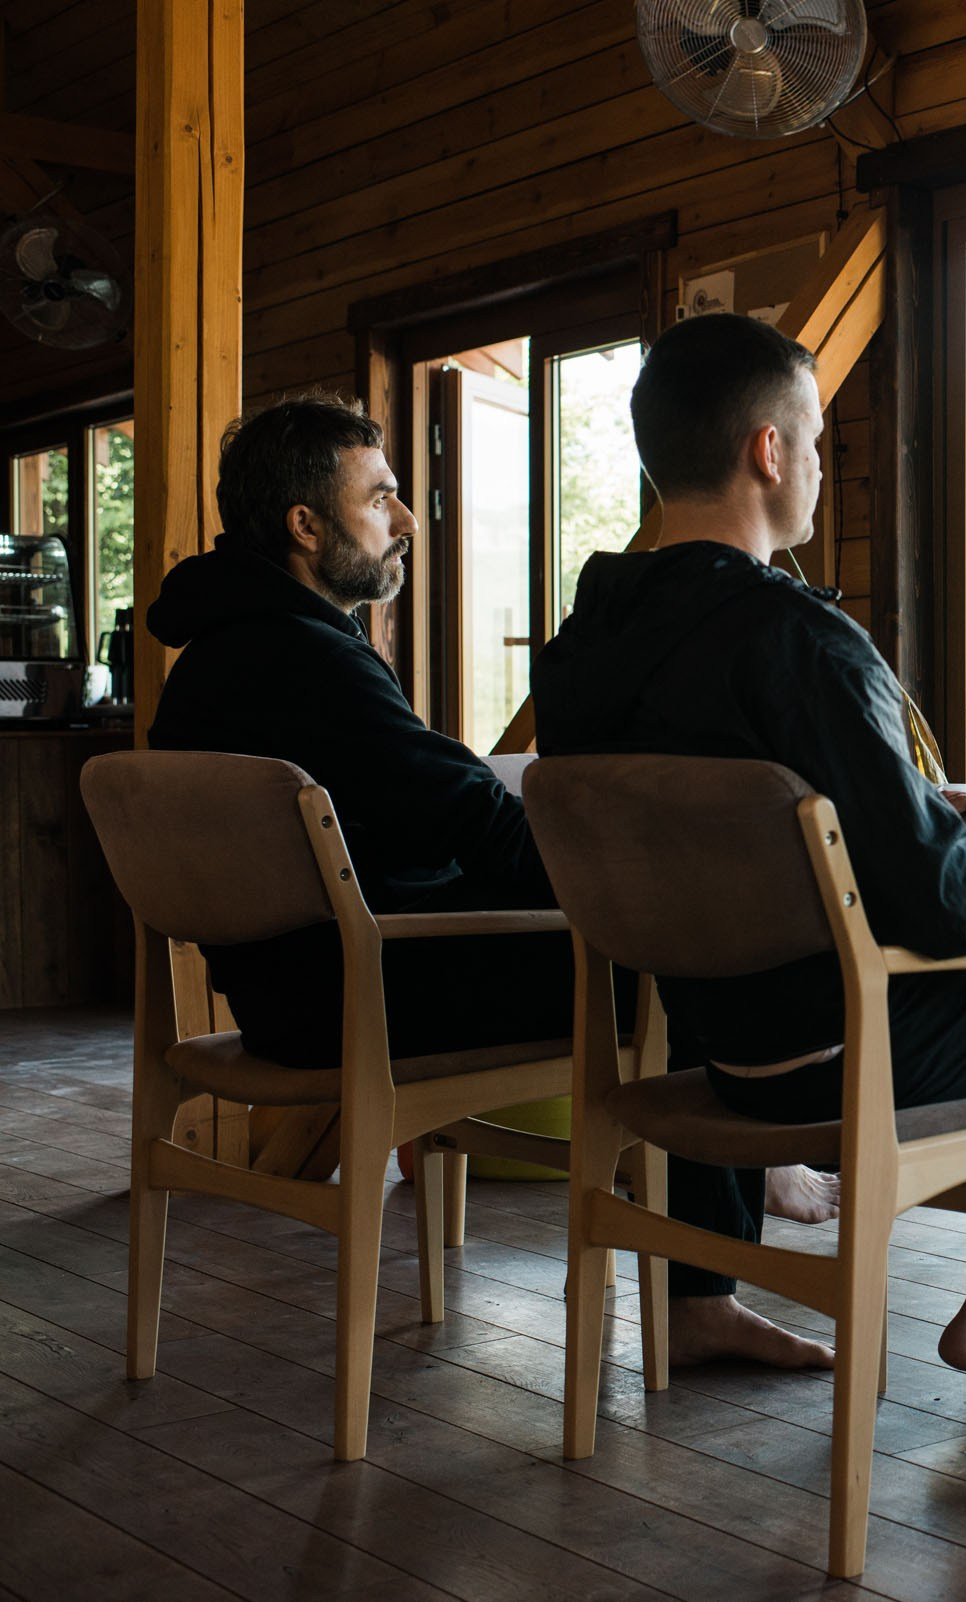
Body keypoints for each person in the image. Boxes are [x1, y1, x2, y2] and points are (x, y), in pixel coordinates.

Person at [531, 312, 966, 1433]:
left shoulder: (581, 647)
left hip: (703, 1051)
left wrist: (898, 809)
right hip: (843, 1059)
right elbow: (946, 908)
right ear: (768, 452)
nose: (825, 467)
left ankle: (939, 1301)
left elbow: (729, 821)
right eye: (820, 439)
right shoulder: (802, 642)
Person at [147, 393, 839, 1373]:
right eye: (381, 498)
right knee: (690, 958)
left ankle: (717, 1208)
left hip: (290, 992)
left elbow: (418, 799)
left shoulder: (222, 654)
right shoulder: (300, 657)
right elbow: (471, 819)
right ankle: (701, 1282)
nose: (407, 522)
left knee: (644, 941)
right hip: (367, 990)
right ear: (305, 526)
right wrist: (627, 864)